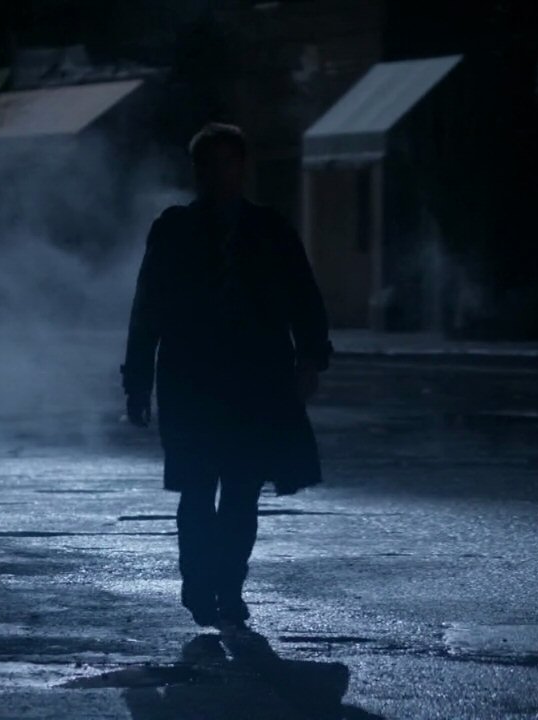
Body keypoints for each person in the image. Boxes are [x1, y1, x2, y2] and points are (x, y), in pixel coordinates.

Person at [122, 122, 332, 627]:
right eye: (206, 165)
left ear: (242, 167)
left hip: (255, 382)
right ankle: (199, 583)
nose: (216, 174)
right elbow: (147, 308)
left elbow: (303, 295)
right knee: (197, 490)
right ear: (196, 171)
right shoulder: (174, 229)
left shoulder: (270, 229)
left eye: (226, 163)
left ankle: (229, 586)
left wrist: (310, 358)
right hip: (190, 381)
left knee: (241, 491)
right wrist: (137, 381)